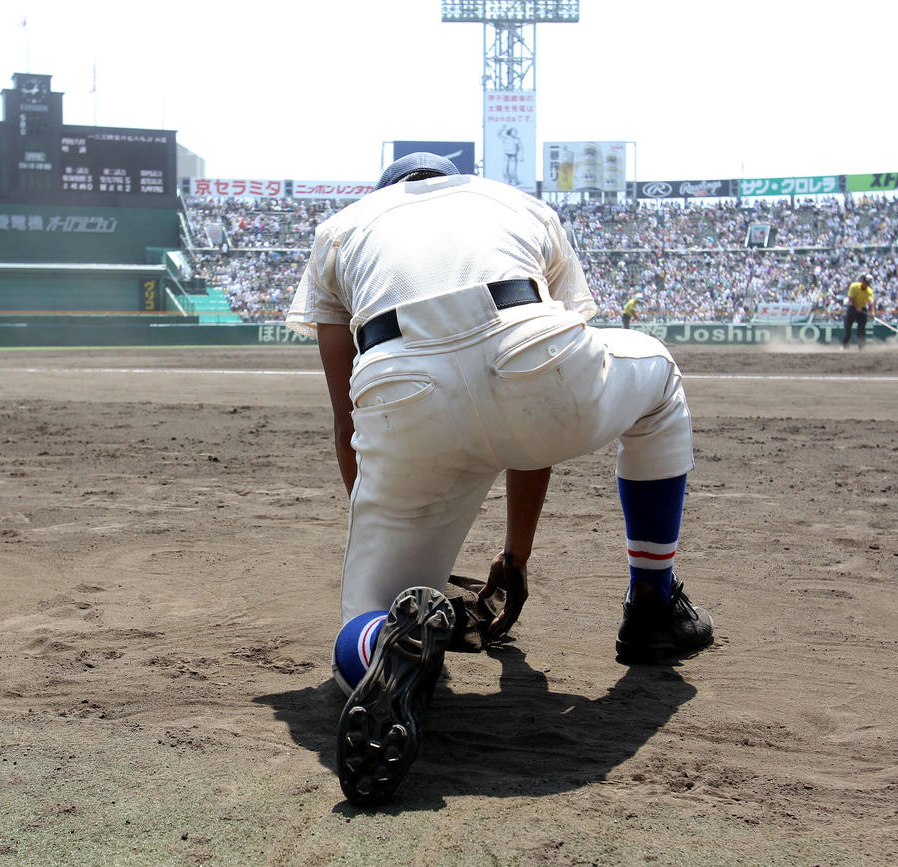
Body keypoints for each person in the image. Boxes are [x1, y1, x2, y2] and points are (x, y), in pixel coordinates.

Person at [285, 153, 714, 807]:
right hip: (529, 348)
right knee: (657, 377)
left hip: (402, 390)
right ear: (447, 180)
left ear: (388, 193)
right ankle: (653, 604)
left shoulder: (343, 229)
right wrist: (515, 555)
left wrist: (394, 524)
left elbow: (348, 419)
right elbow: (532, 409)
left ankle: (383, 640)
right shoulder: (515, 202)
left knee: (362, 619)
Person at [842, 275, 874, 349]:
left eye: (868, 283)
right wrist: (857, 307)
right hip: (852, 308)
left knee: (861, 330)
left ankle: (862, 348)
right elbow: (851, 298)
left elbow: (870, 303)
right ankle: (845, 346)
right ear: (862, 281)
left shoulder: (869, 291)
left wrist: (872, 312)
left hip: (862, 309)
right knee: (848, 330)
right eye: (866, 282)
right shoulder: (854, 286)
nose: (866, 284)